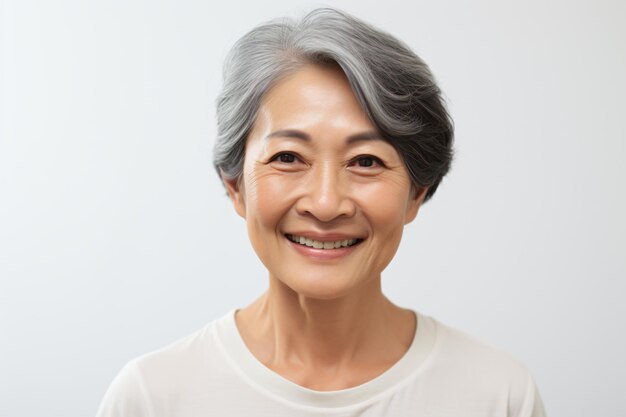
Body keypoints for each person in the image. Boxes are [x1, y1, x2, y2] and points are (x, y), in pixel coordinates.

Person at [96, 7, 546, 417]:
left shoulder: (496, 394)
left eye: (366, 161)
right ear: (236, 187)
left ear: (415, 192)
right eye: (288, 157)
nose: (326, 204)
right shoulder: (153, 397)